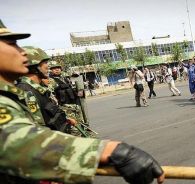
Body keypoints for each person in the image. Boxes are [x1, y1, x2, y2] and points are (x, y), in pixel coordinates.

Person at [0, 19, 164, 184]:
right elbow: (16, 141)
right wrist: (110, 151)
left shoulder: (11, 94)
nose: (21, 51)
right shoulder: (23, 92)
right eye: (12, 43)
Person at [16, 46, 76, 133]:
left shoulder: (38, 89)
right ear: (34, 66)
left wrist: (65, 119)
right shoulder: (27, 91)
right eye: (45, 63)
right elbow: (38, 129)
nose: (48, 67)